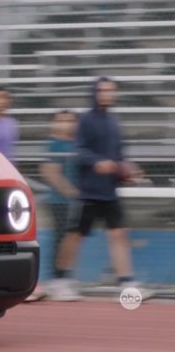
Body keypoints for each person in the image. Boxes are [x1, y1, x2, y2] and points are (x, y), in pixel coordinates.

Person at [48, 77, 148, 301]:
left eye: (110, 90)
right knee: (75, 236)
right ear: (94, 93)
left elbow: (120, 155)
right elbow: (80, 150)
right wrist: (97, 162)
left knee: (119, 235)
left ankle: (127, 282)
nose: (106, 94)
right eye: (102, 90)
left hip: (110, 192)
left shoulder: (114, 121)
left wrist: (127, 172)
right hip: (89, 192)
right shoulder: (85, 120)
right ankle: (60, 280)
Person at [27, 110, 80, 302]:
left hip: (73, 202)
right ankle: (58, 279)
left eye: (70, 120)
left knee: (70, 239)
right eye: (61, 120)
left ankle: (64, 276)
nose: (66, 124)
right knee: (61, 239)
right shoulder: (55, 143)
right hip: (59, 201)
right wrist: (71, 192)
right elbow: (50, 172)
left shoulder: (75, 143)